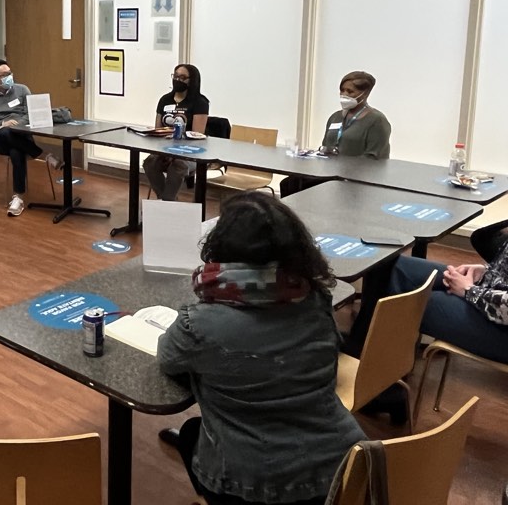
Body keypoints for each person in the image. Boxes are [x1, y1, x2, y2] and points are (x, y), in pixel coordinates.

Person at [158, 192, 364, 505]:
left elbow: (168, 358)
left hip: (250, 482)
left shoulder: (200, 323)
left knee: (191, 434)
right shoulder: (315, 299)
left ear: (220, 248)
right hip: (339, 469)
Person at [386, 217, 507, 364]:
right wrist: (487, 272)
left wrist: (469, 290)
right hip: (493, 295)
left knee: (418, 301)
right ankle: (376, 348)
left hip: (502, 328)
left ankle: (384, 366)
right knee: (398, 267)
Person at [280, 71, 391, 198]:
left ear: (365, 94)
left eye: (350, 92)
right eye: (342, 90)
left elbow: (374, 159)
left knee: (302, 187)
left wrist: (345, 166)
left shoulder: (377, 121)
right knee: (290, 183)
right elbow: (325, 147)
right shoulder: (335, 117)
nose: (344, 95)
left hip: (356, 177)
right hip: (329, 173)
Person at [0, 58, 62, 217]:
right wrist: (2, 124)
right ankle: (44, 155)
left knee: (16, 152)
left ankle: (18, 198)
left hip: (22, 135)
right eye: (5, 75)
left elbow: (31, 114)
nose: (10, 77)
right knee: (6, 132)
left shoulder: (22, 90)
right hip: (0, 139)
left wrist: (17, 124)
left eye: (10, 73)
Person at [143, 64, 209, 201]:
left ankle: (166, 201)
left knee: (178, 165)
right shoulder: (165, 100)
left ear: (192, 80)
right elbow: (158, 129)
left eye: (183, 77)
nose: (178, 80)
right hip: (165, 149)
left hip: (190, 152)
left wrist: (175, 149)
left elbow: (197, 135)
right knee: (150, 162)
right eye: (176, 76)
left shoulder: (200, 102)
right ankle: (166, 201)